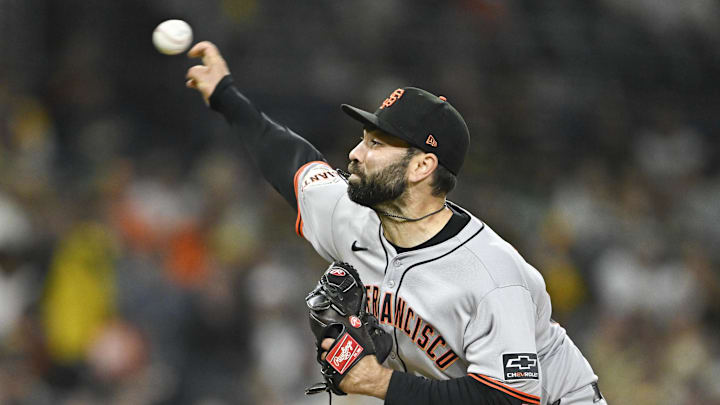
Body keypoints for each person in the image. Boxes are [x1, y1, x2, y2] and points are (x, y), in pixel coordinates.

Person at [185, 41, 606, 405]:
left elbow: (510, 399)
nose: (355, 153)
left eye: (376, 143)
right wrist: (226, 95)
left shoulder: (493, 275)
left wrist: (379, 381)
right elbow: (290, 162)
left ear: (422, 166)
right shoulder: (351, 216)